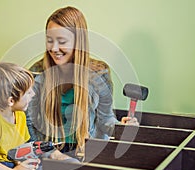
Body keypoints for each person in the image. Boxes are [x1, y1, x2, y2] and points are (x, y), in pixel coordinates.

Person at [27, 6, 138, 155]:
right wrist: (43, 155)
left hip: (86, 153)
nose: (54, 48)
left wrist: (121, 127)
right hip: (49, 154)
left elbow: (105, 119)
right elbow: (29, 122)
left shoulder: (99, 73)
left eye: (61, 41)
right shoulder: (35, 72)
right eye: (49, 40)